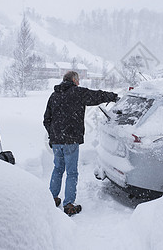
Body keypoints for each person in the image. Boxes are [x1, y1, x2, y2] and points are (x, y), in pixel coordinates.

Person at [43, 71, 118, 216]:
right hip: (70, 140)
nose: (79, 83)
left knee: (58, 169)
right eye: (78, 80)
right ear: (73, 80)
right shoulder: (77, 93)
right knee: (71, 172)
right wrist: (113, 97)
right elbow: (97, 96)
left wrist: (54, 135)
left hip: (57, 141)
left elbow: (46, 119)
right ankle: (69, 204)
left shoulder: (54, 95)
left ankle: (52, 198)